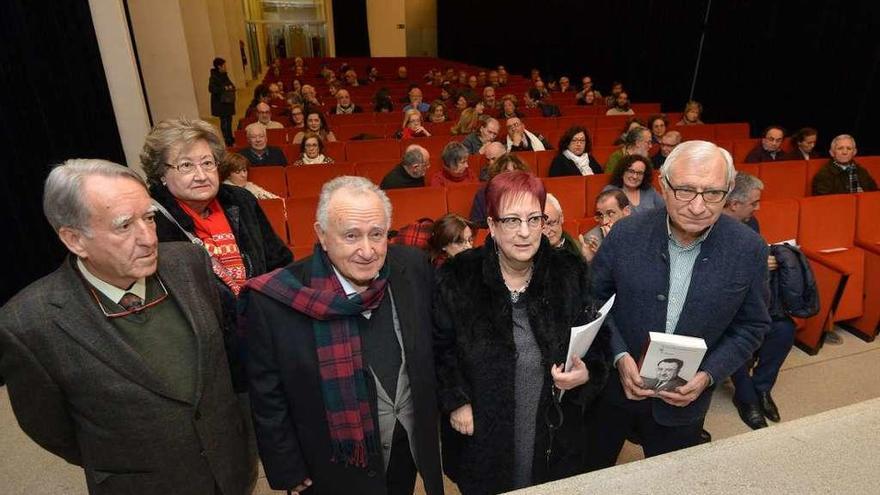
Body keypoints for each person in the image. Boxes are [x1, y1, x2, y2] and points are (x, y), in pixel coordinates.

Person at [0, 159, 254, 494]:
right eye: (124, 226)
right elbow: (51, 429)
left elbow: (226, 364)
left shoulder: (190, 263)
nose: (148, 238)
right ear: (75, 239)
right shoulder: (28, 322)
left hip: (231, 471)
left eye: (149, 217)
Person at [242, 176, 444, 494]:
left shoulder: (413, 267)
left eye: (376, 234)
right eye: (351, 236)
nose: (367, 250)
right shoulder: (275, 299)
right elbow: (267, 395)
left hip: (405, 446)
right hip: (330, 464)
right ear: (322, 234)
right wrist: (287, 468)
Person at [585, 140, 771, 470]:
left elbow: (752, 325)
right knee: (590, 471)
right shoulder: (625, 233)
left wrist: (709, 375)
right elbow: (593, 299)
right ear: (664, 185)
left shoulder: (749, 249)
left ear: (728, 192)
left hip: (685, 406)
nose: (698, 207)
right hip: (612, 393)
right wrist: (618, 355)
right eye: (685, 190)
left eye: (713, 193)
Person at [434, 171, 610, 494]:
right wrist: (456, 401)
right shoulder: (459, 276)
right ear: (492, 224)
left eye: (534, 219)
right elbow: (440, 349)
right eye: (512, 220)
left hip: (552, 427)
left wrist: (587, 373)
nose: (525, 232)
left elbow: (598, 341)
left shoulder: (568, 272)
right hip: (482, 429)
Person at [142, 118, 292, 390]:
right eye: (186, 165)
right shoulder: (151, 223)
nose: (201, 175)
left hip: (265, 347)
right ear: (161, 174)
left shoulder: (241, 201)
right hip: (205, 368)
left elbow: (279, 261)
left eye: (208, 163)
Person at [722, 172, 796, 429]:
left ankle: (761, 387)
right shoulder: (710, 227)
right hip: (723, 304)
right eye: (754, 203)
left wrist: (765, 263)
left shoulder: (751, 224)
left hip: (753, 298)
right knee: (740, 334)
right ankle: (746, 397)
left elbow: (757, 256)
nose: (758, 207)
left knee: (784, 330)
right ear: (733, 204)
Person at [470, 154, 530, 227]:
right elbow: (476, 224)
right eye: (507, 172)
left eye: (516, 172)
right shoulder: (483, 194)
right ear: (497, 174)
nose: (512, 176)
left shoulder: (529, 193)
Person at [812, 134, 877, 194]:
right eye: (840, 148)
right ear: (831, 152)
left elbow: (875, 194)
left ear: (854, 152)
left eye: (849, 148)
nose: (845, 152)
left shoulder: (862, 171)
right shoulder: (823, 175)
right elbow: (823, 202)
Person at [579, 189, 632, 263]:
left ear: (626, 211)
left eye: (610, 213)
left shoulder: (640, 231)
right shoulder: (591, 241)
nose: (604, 221)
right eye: (600, 215)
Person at [543, 193, 587, 260]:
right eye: (541, 227)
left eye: (550, 223)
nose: (546, 232)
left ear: (561, 218)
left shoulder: (579, 247)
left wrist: (590, 260)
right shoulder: (529, 251)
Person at [209, 57, 236, 145]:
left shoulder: (224, 75)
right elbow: (211, 89)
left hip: (227, 102)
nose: (226, 67)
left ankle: (230, 137)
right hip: (220, 104)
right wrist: (224, 88)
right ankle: (226, 139)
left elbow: (230, 84)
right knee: (224, 121)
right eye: (224, 65)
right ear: (219, 66)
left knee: (229, 120)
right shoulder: (213, 77)